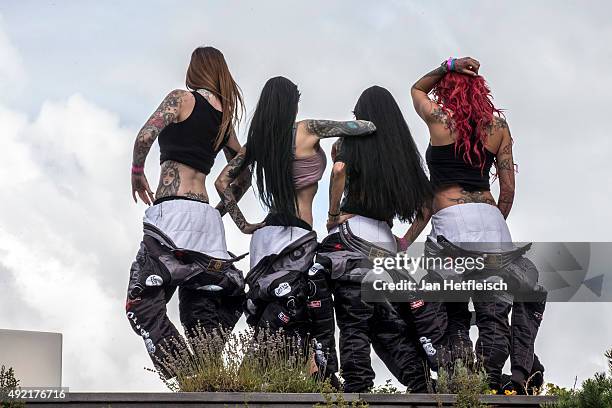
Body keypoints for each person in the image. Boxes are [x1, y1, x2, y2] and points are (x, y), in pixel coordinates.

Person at [398, 56, 545, 393]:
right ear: (482, 93)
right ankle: (492, 381)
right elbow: (507, 190)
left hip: (451, 223)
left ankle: (460, 379)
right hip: (492, 223)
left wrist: (448, 65)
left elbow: (416, 88)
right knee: (493, 310)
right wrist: (492, 224)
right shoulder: (498, 128)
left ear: (447, 91)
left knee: (453, 309)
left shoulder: (439, 118)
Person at [215, 76, 376, 380]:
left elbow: (222, 181)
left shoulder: (259, 143)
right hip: (297, 235)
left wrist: (242, 223)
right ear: (292, 103)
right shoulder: (309, 128)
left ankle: (293, 373)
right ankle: (273, 375)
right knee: (296, 304)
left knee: (274, 307)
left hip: (265, 237)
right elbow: (365, 127)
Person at [125, 46, 249, 378]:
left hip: (172, 216)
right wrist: (222, 211)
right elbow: (244, 172)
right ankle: (208, 375)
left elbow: (145, 135)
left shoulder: (182, 98)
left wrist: (137, 172)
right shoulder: (224, 120)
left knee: (142, 301)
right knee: (201, 313)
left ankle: (187, 371)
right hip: (206, 220)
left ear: (195, 71)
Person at [317, 85, 435, 392]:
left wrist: (332, 214)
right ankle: (422, 385)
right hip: (385, 245)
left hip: (353, 237)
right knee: (388, 328)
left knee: (354, 320)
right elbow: (426, 207)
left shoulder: (349, 144)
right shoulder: (401, 154)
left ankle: (357, 386)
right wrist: (404, 241)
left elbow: (340, 170)